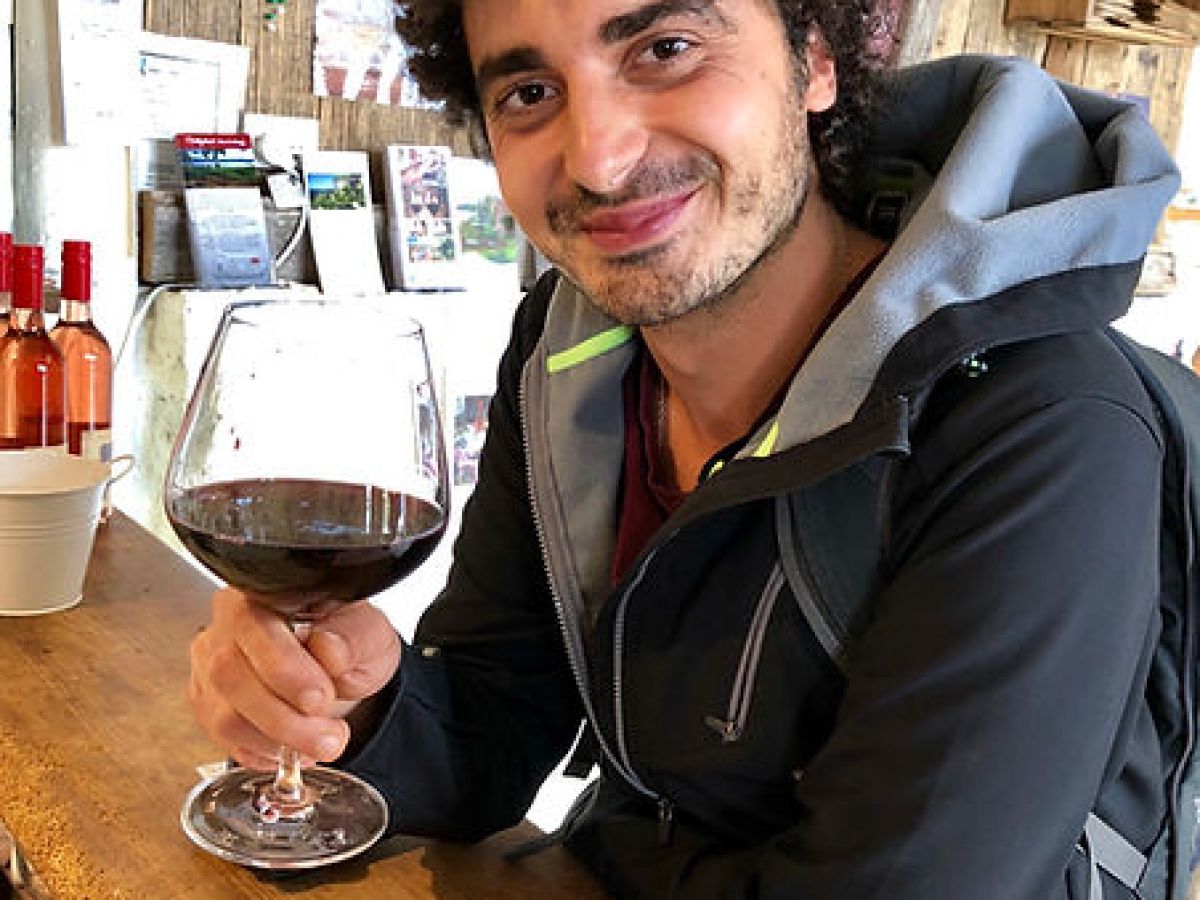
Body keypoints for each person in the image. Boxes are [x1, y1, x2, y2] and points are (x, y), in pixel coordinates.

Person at [187, 0, 1182, 896]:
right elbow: (494, 726)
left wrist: (609, 860)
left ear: (816, 57)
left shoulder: (1041, 423)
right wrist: (352, 710)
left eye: (666, 48)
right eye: (532, 91)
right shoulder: (570, 347)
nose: (601, 158)